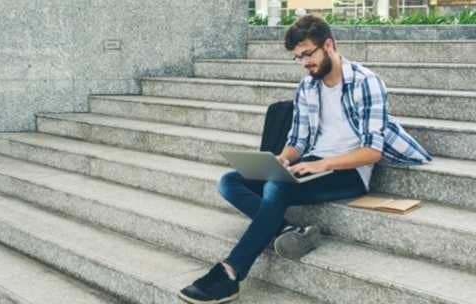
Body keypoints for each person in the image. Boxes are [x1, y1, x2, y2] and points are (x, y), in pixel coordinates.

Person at [177, 14, 432, 304]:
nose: (304, 63)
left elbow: (372, 151)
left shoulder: (366, 82)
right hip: (311, 163)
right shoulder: (307, 86)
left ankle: (230, 273)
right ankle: (288, 231)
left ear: (329, 45)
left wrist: (321, 164)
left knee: (277, 188)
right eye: (298, 57)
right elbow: (297, 142)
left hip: (350, 171)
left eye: (308, 54)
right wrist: (282, 160)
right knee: (230, 181)